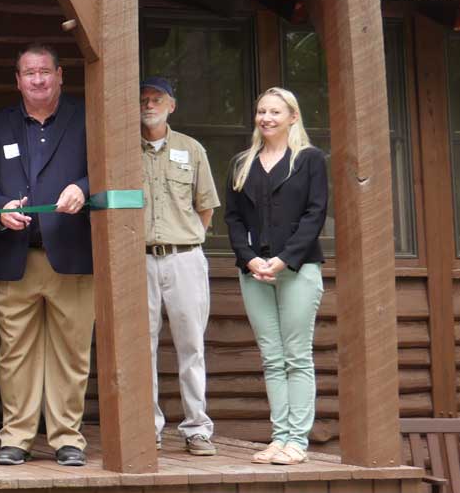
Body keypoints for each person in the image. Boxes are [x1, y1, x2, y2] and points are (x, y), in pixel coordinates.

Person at [0, 42, 92, 468]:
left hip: (73, 255)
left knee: (72, 352)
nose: (38, 79)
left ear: (60, 75)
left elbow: (107, 166)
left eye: (45, 71)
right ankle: (18, 437)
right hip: (15, 256)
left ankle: (67, 438)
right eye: (29, 73)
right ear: (18, 80)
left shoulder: (86, 118)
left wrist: (84, 186)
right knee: (15, 353)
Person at [225, 87, 327, 467]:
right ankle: (278, 437)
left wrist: (283, 260)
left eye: (275, 112)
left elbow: (315, 215)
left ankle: (297, 441)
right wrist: (249, 259)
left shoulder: (310, 159)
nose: (266, 118)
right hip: (254, 272)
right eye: (261, 111)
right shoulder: (241, 163)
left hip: (298, 269)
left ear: (292, 117)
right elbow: (233, 219)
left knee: (296, 356)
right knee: (272, 357)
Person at [139, 76, 220, 457]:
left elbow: (205, 207)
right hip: (139, 260)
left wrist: (183, 241)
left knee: (192, 345)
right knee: (143, 346)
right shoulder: (125, 149)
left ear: (172, 105)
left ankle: (197, 428)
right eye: (144, 98)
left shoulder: (192, 149)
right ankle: (148, 428)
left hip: (185, 256)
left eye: (157, 98)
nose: (150, 104)